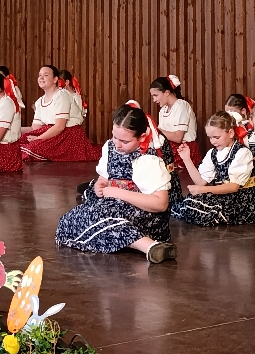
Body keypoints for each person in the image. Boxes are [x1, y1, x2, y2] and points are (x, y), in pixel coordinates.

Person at [55, 104, 176, 263]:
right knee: (69, 220)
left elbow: (161, 204)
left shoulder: (148, 159)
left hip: (144, 215)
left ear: (141, 137)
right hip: (115, 205)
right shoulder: (110, 147)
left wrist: (117, 192)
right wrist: (100, 184)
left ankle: (150, 246)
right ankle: (133, 242)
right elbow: (104, 177)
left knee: (103, 219)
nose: (117, 145)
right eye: (115, 137)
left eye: (124, 141)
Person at [171, 112, 255, 226]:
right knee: (189, 203)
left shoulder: (242, 153)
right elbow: (200, 182)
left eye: (216, 137)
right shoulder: (213, 153)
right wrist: (187, 159)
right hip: (224, 195)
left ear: (231, 133)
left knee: (203, 210)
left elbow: (234, 187)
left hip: (240, 198)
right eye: (210, 138)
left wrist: (202, 190)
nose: (213, 141)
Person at [20, 65, 100, 162]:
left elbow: (60, 126)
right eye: (40, 75)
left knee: (31, 149)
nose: (41, 78)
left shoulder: (62, 95)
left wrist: (37, 139)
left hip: (67, 134)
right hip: (51, 132)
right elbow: (34, 128)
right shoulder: (39, 101)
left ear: (55, 79)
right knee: (19, 141)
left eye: (46, 75)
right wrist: (12, 130)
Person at [150, 75, 199, 168]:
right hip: (169, 148)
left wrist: (156, 130)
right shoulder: (163, 110)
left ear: (167, 92)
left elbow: (178, 137)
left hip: (183, 149)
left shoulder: (181, 106)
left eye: (156, 95)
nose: (154, 100)